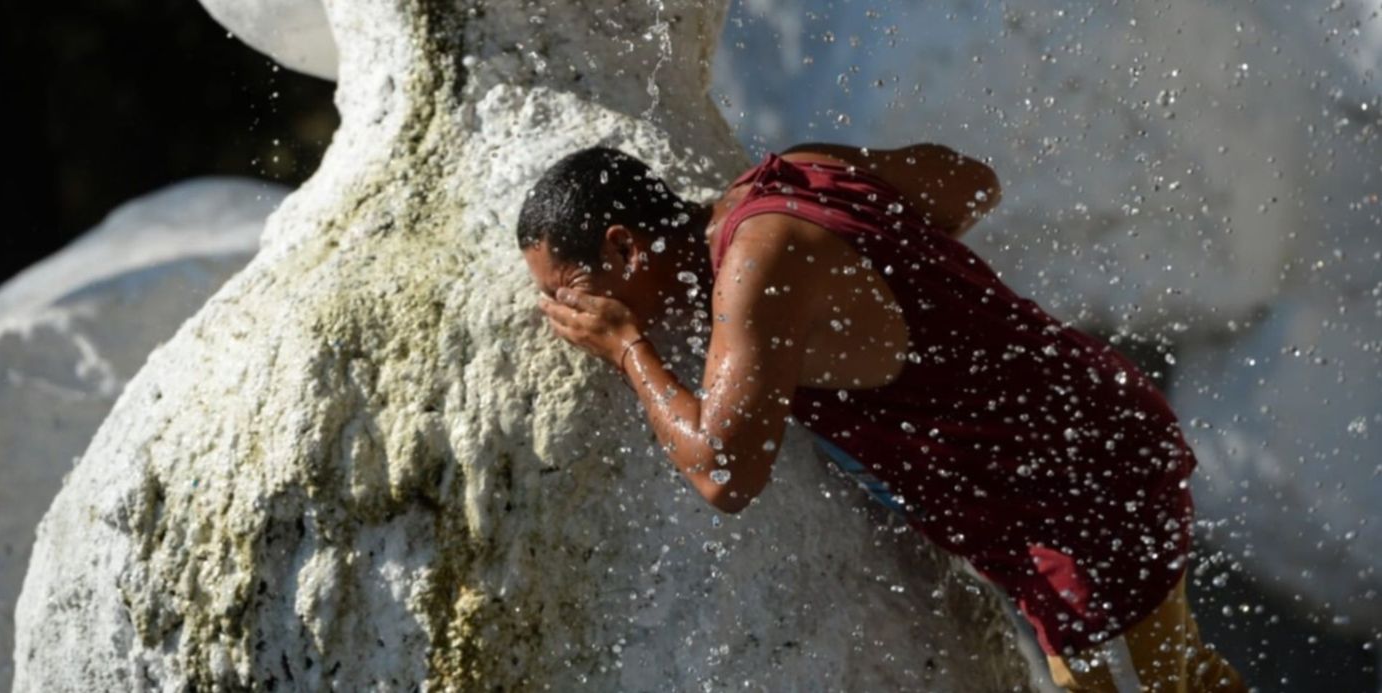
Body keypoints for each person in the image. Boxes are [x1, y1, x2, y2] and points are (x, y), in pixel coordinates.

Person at [518, 144, 1246, 692]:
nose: (568, 313)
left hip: (1077, 513)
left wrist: (628, 347)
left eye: (570, 292)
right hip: (1108, 427)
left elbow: (724, 470)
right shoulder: (797, 175)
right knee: (1189, 678)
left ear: (625, 247)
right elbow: (970, 182)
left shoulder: (756, 270)